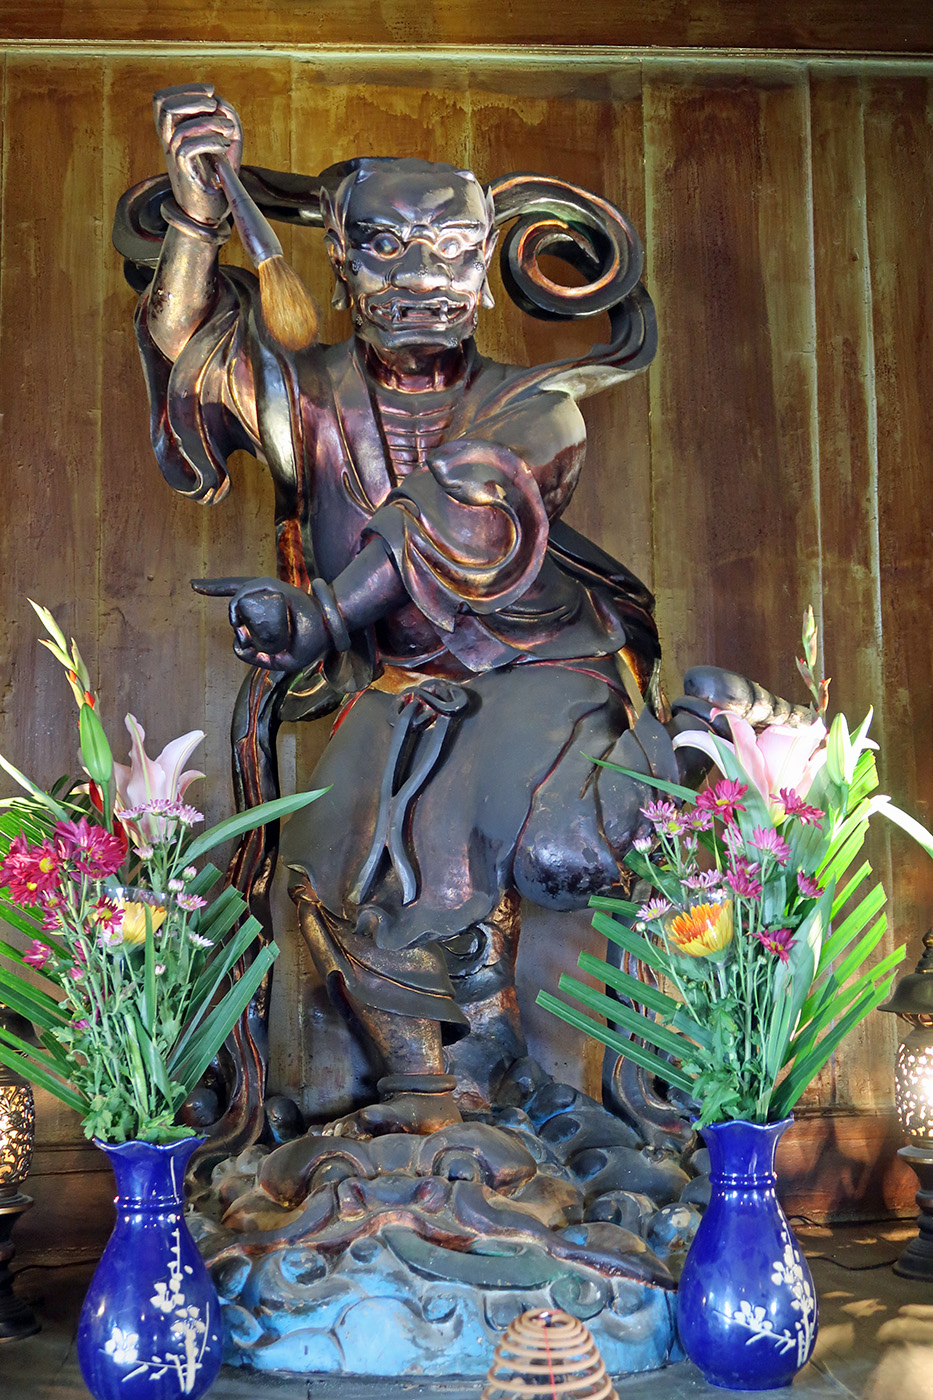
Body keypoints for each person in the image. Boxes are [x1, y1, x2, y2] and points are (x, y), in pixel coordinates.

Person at [126, 83, 766, 1138]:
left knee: (563, 857)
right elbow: (192, 360)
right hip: (395, 683)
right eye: (386, 248)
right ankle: (428, 1096)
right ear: (338, 260)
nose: (422, 279)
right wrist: (198, 218)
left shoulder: (538, 407)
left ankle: (691, 744)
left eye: (455, 252)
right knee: (328, 862)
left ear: (486, 265)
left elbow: (461, 508)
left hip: (540, 664)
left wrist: (320, 615)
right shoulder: (310, 394)